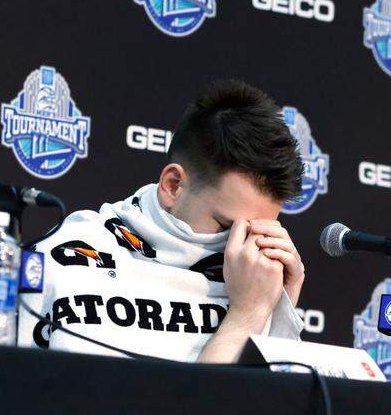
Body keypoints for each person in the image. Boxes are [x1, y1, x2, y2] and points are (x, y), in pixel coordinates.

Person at [18, 79, 306, 362]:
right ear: (173, 185)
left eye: (262, 231)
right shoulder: (64, 259)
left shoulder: (261, 279)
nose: (247, 249)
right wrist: (246, 317)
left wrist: (277, 311)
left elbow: (265, 407)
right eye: (227, 226)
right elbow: (189, 408)